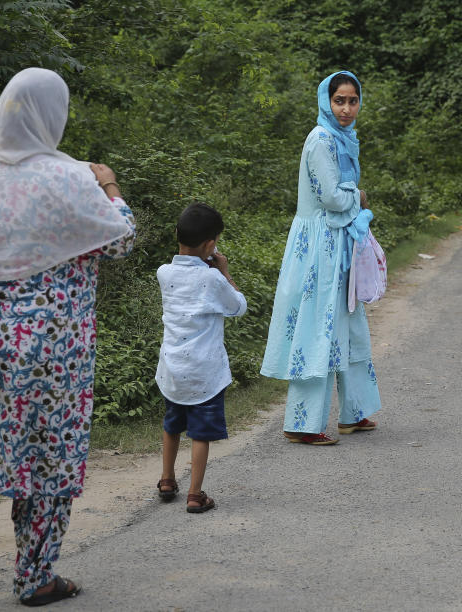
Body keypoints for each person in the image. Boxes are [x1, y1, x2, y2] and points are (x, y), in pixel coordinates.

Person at [0, 68, 135, 606]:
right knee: (48, 459)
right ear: (51, 114)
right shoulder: (72, 179)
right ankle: (35, 577)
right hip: (54, 354)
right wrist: (108, 182)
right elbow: (121, 239)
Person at [259, 70, 381, 445]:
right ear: (326, 102)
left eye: (352, 100)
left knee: (349, 325)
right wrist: (357, 197)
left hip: (338, 242)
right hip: (319, 248)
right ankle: (301, 424)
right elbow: (330, 197)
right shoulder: (321, 140)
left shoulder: (345, 138)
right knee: (319, 328)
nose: (346, 108)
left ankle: (353, 412)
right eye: (339, 100)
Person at [155, 203, 247, 513]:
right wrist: (224, 271)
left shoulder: (163, 272)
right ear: (210, 245)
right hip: (204, 372)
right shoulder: (212, 278)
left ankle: (167, 480)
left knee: (172, 425)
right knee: (200, 433)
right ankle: (196, 494)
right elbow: (237, 307)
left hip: (172, 367)